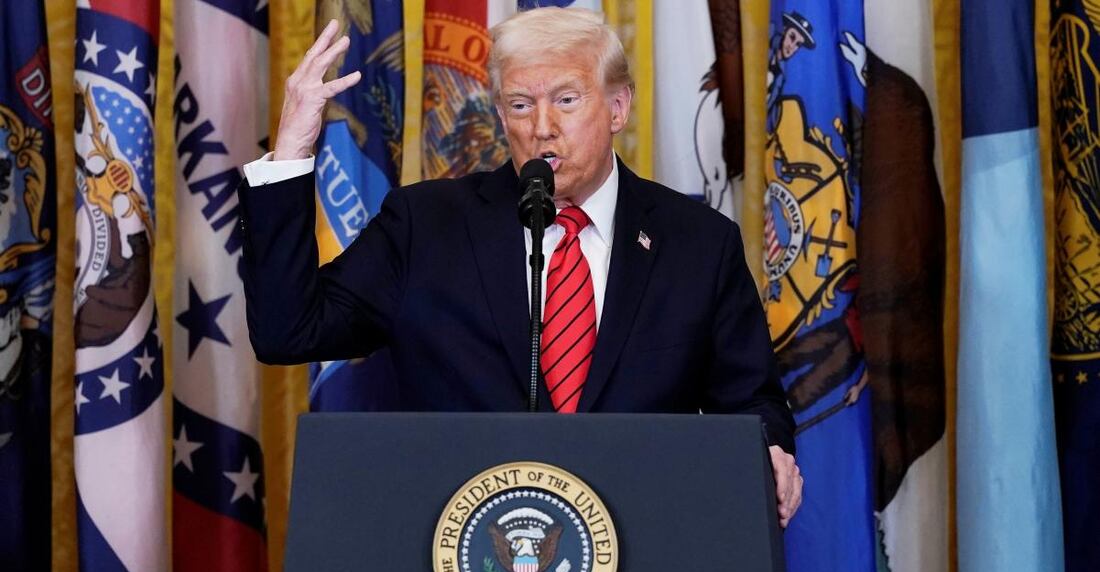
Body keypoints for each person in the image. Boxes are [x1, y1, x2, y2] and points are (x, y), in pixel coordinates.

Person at [237, 8, 803, 527]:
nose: (542, 127)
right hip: (460, 561)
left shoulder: (698, 243)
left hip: (647, 554)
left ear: (618, 108)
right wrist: (291, 155)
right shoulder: (426, 225)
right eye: (520, 105)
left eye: (567, 99)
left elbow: (752, 402)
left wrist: (769, 451)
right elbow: (290, 329)